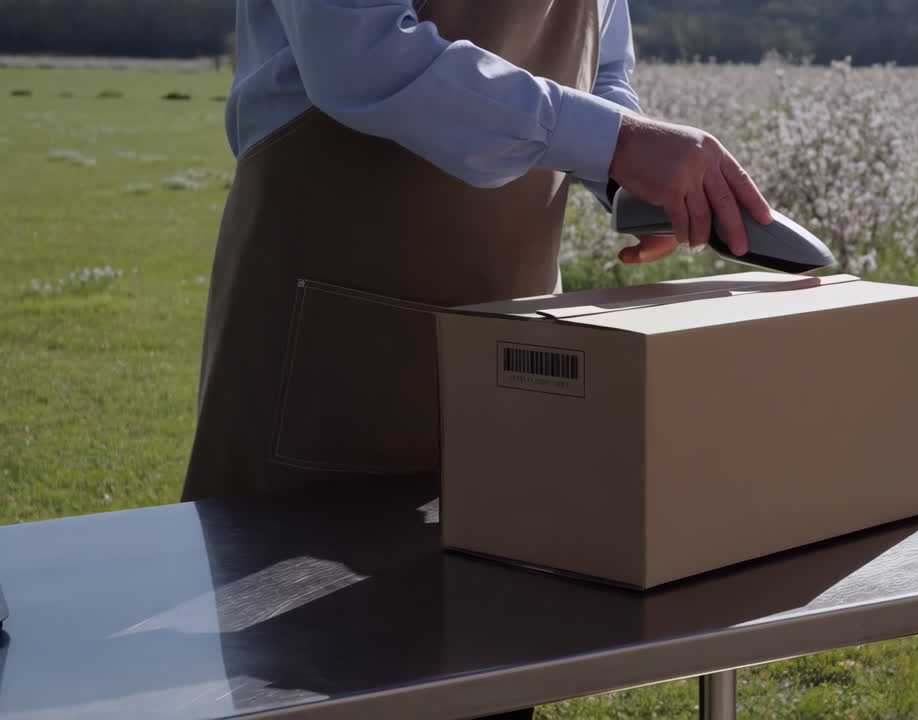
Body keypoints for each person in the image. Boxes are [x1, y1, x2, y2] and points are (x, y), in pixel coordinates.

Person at [183, 1, 771, 716]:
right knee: (301, 661)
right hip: (324, 332)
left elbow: (603, 64)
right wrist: (616, 141)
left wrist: (627, 175)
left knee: (492, 659)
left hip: (507, 343)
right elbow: (358, 53)